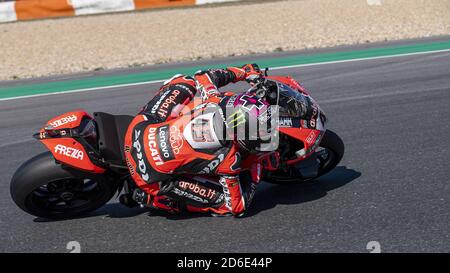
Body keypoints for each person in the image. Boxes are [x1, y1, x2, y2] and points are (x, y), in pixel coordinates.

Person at [123, 63, 278, 217]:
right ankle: (154, 200)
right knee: (225, 205)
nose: (264, 134)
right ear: (242, 135)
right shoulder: (230, 160)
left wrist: (244, 72)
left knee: (185, 81)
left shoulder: (213, 99)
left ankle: (172, 93)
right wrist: (257, 169)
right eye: (260, 132)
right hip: (147, 177)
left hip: (137, 131)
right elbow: (237, 206)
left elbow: (203, 75)